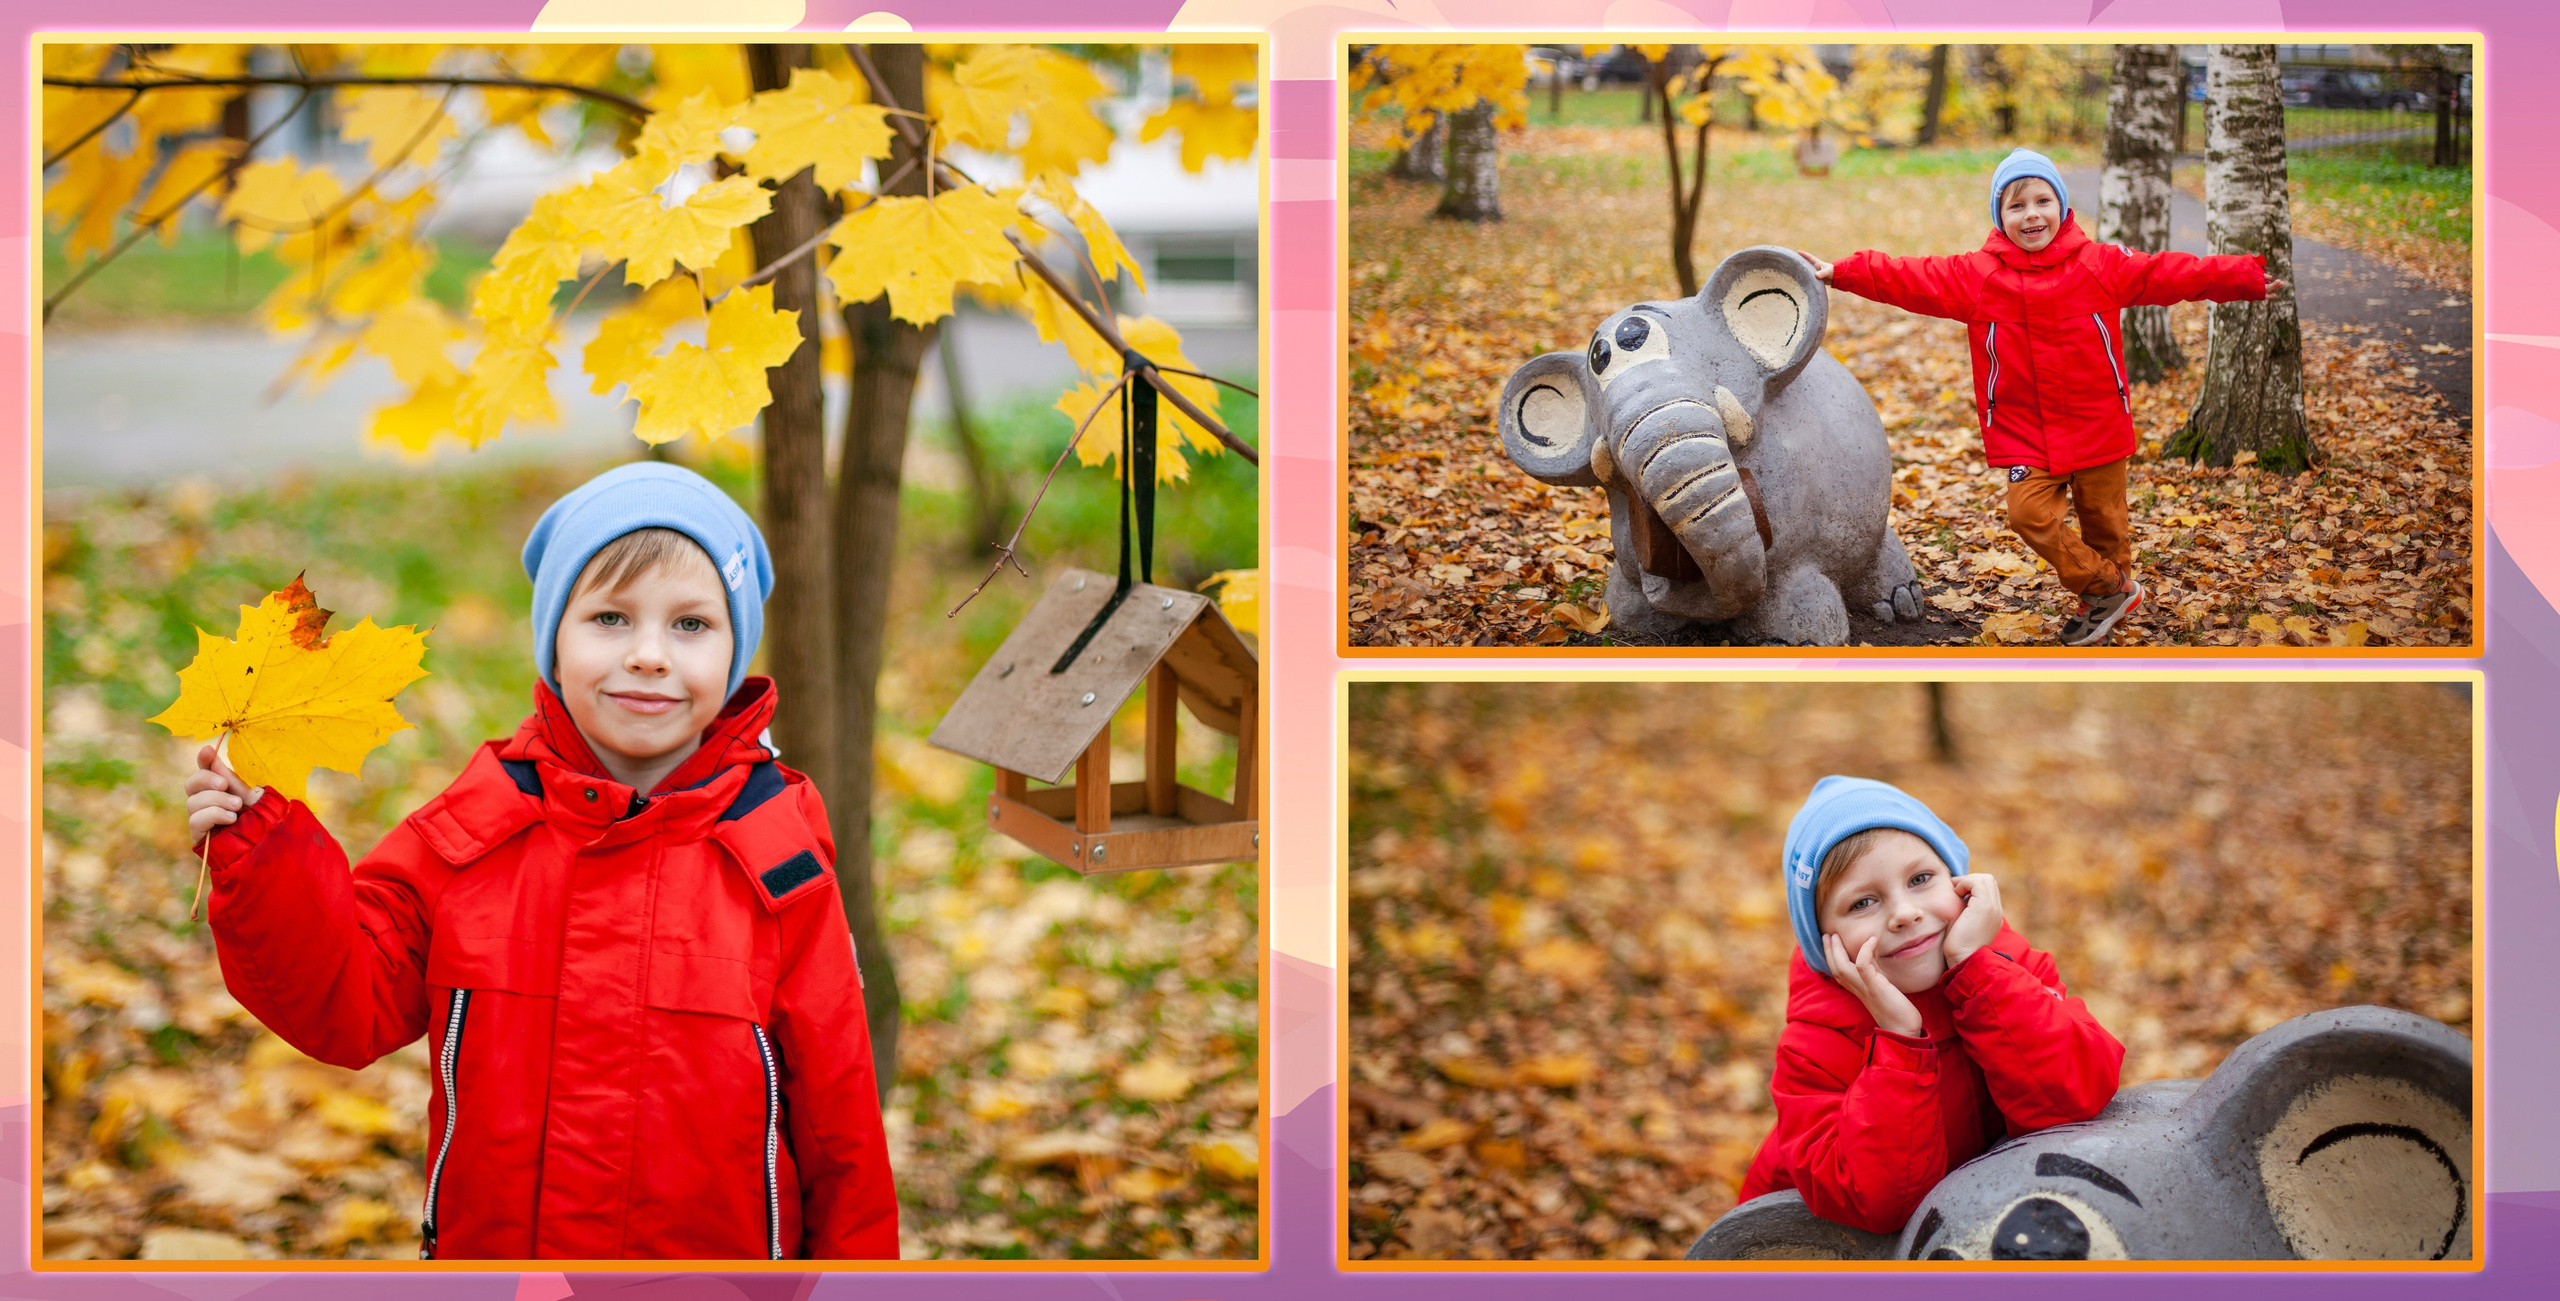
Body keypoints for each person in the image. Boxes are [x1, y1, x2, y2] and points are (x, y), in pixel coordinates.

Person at [184, 462, 896, 1260]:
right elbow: (346, 997)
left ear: (735, 652)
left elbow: (841, 1126)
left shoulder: (775, 856)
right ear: (553, 639)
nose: (650, 655)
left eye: (692, 625)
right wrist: (264, 852)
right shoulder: (479, 825)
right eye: (610, 618)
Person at [1799, 148, 2283, 645]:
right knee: (2027, 514)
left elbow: (2170, 273)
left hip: (2097, 425)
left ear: (2062, 207)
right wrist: (1845, 272)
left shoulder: (2101, 264)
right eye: (2016, 206)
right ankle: (2113, 589)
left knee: (2108, 532)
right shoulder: (1978, 276)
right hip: (2027, 432)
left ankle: (2103, 607)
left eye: (2042, 201)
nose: (2031, 214)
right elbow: (1910, 276)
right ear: (1999, 216)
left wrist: (2241, 277)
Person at [1736, 776, 2124, 1234]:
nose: (1905, 913)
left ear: (1961, 881)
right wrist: (1898, 1037)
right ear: (1826, 945)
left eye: (1921, 879)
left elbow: (2073, 1099)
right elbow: (1883, 1206)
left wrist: (1977, 972)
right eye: (1863, 903)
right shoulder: (1815, 1045)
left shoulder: (2010, 968)